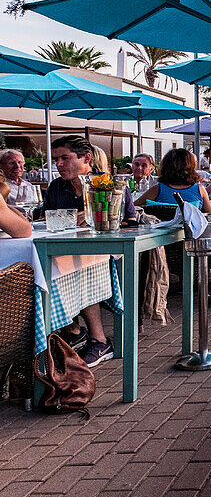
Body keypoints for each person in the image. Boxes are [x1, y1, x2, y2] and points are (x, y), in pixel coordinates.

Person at [41, 135, 139, 366]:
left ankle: (91, 337)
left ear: (87, 159)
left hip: (104, 252)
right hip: (63, 250)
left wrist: (92, 218)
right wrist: (73, 218)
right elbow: (46, 216)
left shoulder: (108, 185)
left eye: (65, 158)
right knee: (45, 269)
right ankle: (72, 330)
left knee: (79, 267)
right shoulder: (57, 186)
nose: (59, 164)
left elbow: (130, 219)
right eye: (56, 159)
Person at [136, 148, 211, 213]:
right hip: (189, 230)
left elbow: (132, 207)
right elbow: (210, 217)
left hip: (162, 229)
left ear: (165, 166)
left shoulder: (157, 190)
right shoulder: (199, 190)